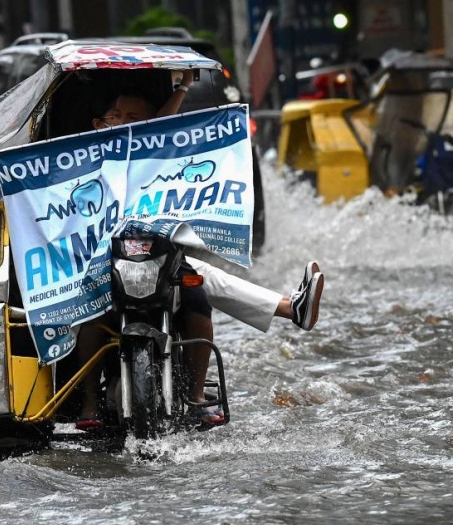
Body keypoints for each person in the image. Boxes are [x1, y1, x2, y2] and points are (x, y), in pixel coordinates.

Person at [74, 70, 325, 430]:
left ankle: (195, 395)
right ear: (99, 123)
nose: (124, 124)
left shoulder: (157, 155)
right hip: (102, 262)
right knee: (88, 311)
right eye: (116, 117)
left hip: (157, 257)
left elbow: (159, 126)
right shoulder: (79, 159)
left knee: (196, 293)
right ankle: (88, 404)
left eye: (134, 118)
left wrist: (182, 88)